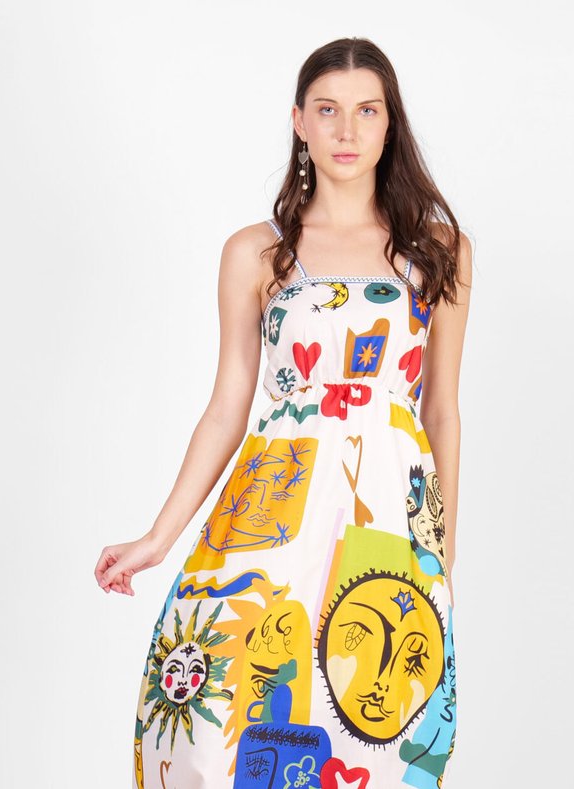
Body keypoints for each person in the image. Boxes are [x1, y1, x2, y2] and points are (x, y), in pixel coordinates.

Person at [94, 37, 473, 789]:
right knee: (231, 710)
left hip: (387, 517)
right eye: (327, 110)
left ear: (390, 123)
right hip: (274, 507)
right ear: (299, 121)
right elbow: (227, 404)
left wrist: (444, 555)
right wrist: (158, 537)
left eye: (367, 111)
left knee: (373, 729)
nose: (347, 130)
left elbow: (442, 410)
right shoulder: (257, 253)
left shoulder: (438, 250)